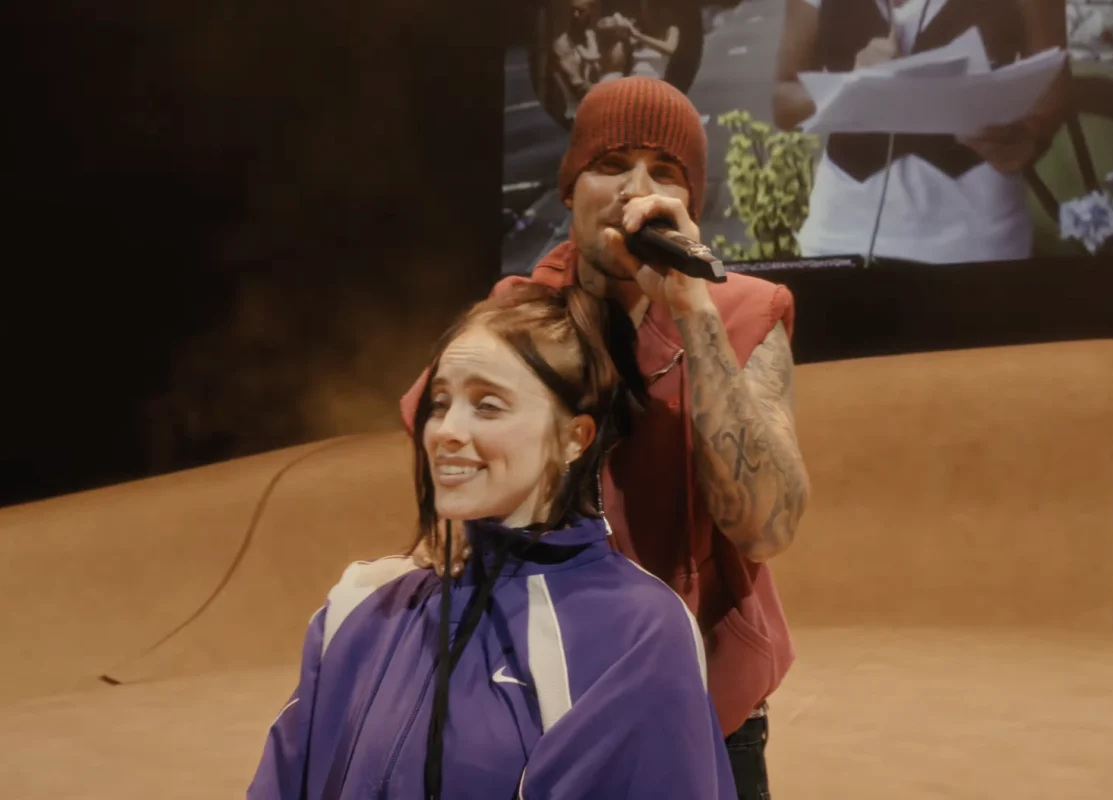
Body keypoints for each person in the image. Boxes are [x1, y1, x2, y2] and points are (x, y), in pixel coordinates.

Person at [401, 76, 811, 799]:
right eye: (611, 164)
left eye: (665, 172)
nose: (636, 189)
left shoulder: (745, 311)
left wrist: (692, 307)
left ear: (690, 202)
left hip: (705, 708)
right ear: (570, 188)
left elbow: (765, 526)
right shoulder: (519, 316)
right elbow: (445, 480)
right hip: (555, 695)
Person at [248, 283, 737, 799]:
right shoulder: (360, 604)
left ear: (575, 439)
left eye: (487, 406)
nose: (446, 430)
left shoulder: (636, 634)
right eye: (440, 403)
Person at [772, 0, 1070, 264]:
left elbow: (1055, 79)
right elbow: (784, 103)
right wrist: (851, 82)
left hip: (977, 237)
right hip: (840, 233)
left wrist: (1033, 135)